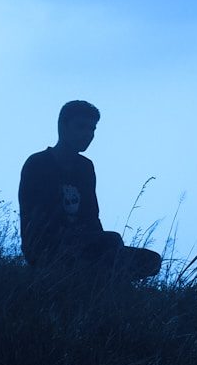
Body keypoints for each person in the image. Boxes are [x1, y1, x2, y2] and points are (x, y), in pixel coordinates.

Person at [18, 100, 161, 280]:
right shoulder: (38, 163)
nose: (88, 134)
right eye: (81, 127)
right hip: (46, 247)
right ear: (62, 126)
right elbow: (38, 219)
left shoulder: (85, 167)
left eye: (92, 129)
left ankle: (99, 281)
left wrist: (102, 245)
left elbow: (91, 215)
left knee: (151, 260)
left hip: (84, 244)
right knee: (112, 242)